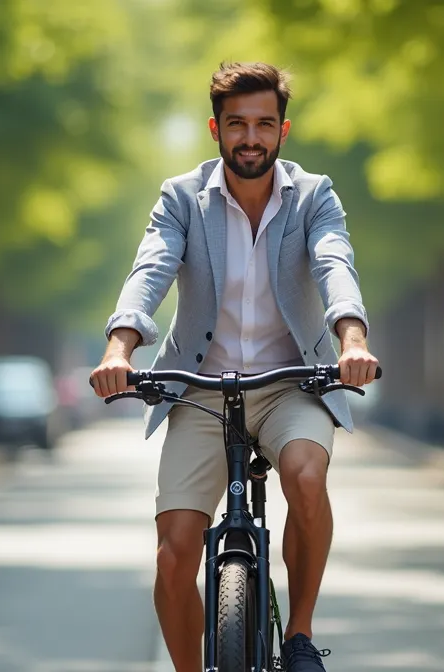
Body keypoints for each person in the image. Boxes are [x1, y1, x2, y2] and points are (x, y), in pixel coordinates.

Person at [89, 61, 379, 672]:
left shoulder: (315, 195)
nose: (251, 138)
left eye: (264, 125)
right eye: (238, 125)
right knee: (172, 559)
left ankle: (299, 636)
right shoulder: (181, 198)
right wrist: (120, 350)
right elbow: (151, 272)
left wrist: (351, 341)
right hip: (199, 391)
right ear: (215, 129)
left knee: (305, 477)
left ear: (283, 130)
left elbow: (335, 266)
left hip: (290, 385)